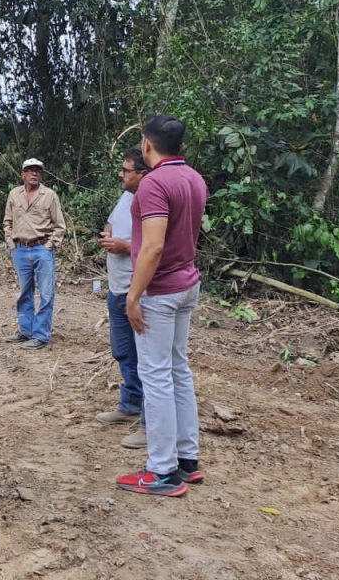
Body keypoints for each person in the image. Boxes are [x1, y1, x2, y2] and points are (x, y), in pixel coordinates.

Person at [116, 115, 208, 498]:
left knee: (155, 377)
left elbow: (152, 246)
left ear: (148, 146)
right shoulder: (194, 179)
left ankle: (162, 471)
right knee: (177, 370)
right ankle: (187, 460)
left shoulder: (154, 184)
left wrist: (133, 296)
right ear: (181, 146)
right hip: (187, 284)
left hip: (160, 291)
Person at [95, 147, 150, 449]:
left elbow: (155, 246)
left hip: (137, 289)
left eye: (126, 170)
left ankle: (148, 420)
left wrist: (125, 246)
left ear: (142, 173)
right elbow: (112, 224)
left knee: (147, 357)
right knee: (124, 352)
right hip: (117, 288)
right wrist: (107, 236)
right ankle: (129, 403)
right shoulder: (125, 197)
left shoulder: (151, 199)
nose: (121, 174)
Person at [2, 158, 66, 350]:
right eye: (29, 170)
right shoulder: (14, 195)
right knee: (24, 293)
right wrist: (10, 243)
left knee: (46, 294)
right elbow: (7, 222)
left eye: (37, 170)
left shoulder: (49, 195)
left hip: (42, 249)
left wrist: (49, 245)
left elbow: (60, 225)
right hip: (20, 249)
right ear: (23, 175)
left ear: (41, 174)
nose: (34, 173)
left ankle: (41, 336)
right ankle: (25, 331)